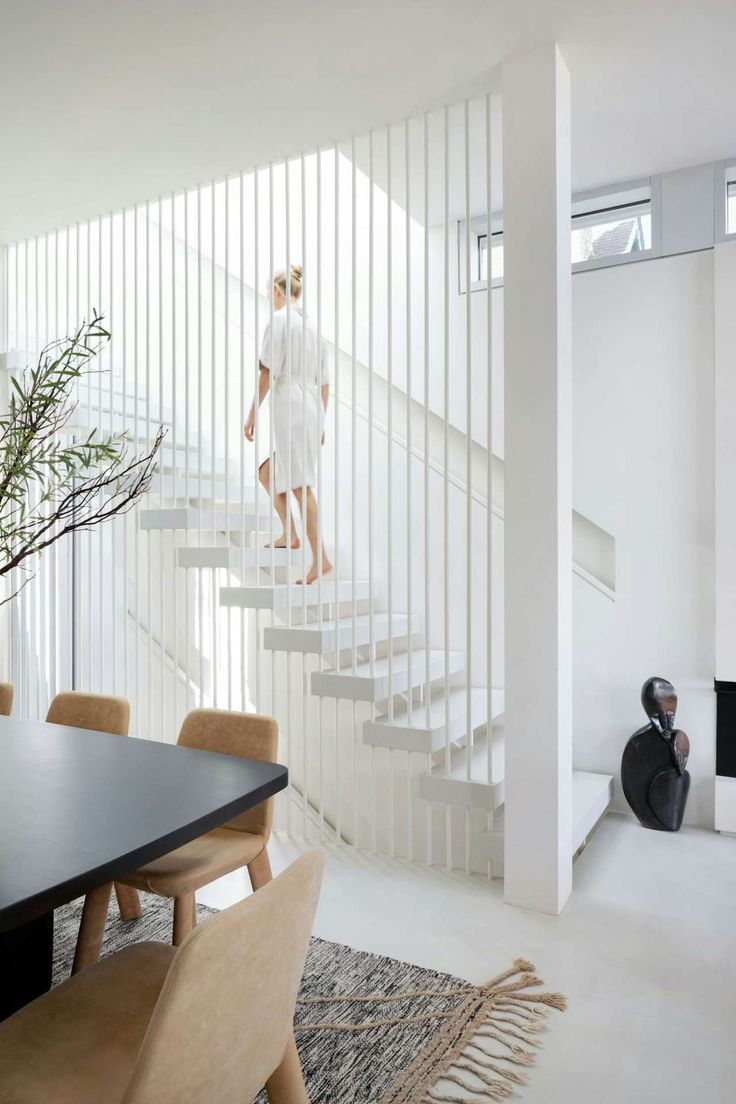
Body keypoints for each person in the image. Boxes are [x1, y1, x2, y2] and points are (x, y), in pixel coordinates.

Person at [244, 264, 332, 584]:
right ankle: (290, 534)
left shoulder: (279, 322)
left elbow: (267, 372)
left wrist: (252, 413)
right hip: (310, 408)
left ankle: (320, 557)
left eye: (271, 293)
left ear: (280, 292)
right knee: (268, 473)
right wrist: (320, 420)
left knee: (299, 485)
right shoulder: (314, 328)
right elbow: (324, 384)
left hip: (292, 408)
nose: (271, 299)